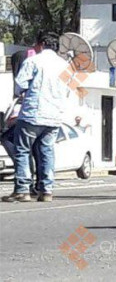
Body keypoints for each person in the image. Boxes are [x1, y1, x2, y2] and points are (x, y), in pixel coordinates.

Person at [3, 33, 70, 203]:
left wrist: (22, 94)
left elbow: (20, 85)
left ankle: (23, 190)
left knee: (23, 150)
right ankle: (46, 190)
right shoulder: (66, 66)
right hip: (55, 116)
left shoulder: (34, 61)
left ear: (41, 44)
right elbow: (69, 90)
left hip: (33, 113)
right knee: (46, 152)